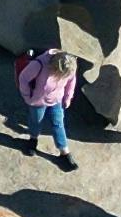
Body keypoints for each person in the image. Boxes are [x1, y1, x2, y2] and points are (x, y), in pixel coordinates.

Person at [13, 41, 80, 170]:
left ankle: (64, 153)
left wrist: (68, 97)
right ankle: (33, 140)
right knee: (36, 121)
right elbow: (23, 79)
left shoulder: (69, 65)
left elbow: (72, 81)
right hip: (37, 101)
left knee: (58, 124)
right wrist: (28, 97)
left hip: (57, 100)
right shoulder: (39, 64)